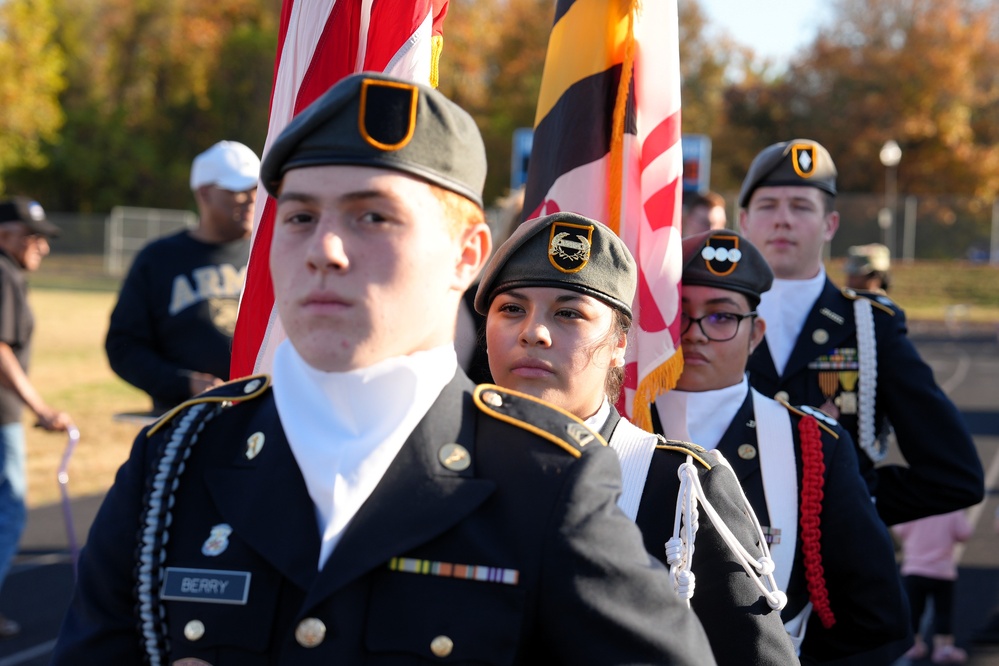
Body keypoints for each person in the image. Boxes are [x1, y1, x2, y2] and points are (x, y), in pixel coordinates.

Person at [53, 73, 717, 664]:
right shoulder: (175, 461)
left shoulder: (545, 480)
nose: (325, 250)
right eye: (300, 216)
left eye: (373, 216)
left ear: (467, 255)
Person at [475, 212, 797, 665]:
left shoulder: (681, 488)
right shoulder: (433, 469)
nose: (534, 332)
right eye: (511, 309)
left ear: (619, 342)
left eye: (569, 313)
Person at [653, 229, 912, 663]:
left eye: (721, 317)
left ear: (756, 334)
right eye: (680, 313)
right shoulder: (616, 428)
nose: (695, 334)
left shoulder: (811, 447)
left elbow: (877, 622)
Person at [737, 139, 983, 525]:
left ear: (830, 224)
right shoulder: (700, 320)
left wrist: (851, 503)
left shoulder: (869, 326)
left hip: (831, 573)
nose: (783, 219)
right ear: (744, 221)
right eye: (768, 205)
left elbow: (955, 475)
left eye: (801, 206)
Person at [105, 140, 260, 414]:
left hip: (264, 416)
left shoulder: (272, 252)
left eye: (256, 187)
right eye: (237, 189)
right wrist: (183, 384)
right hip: (185, 419)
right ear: (204, 193)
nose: (251, 197)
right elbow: (123, 346)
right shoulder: (159, 259)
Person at [0, 197, 74, 638]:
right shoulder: (3, 274)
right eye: (33, 236)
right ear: (5, 235)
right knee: (10, 511)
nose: (42, 247)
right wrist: (41, 408)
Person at [894, 510, 973, 664]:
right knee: (943, 611)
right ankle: (943, 648)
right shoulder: (952, 509)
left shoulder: (914, 507)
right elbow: (964, 533)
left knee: (914, 609)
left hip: (914, 569)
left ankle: (913, 645)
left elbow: (900, 530)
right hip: (941, 571)